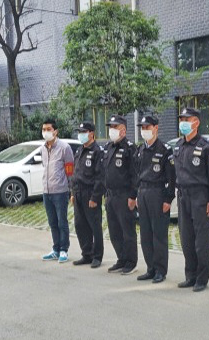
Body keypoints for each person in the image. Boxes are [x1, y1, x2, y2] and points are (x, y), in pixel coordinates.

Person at [173, 107, 209, 292]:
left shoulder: (206, 146)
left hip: (199, 196)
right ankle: (190, 275)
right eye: (181, 119)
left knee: (201, 241)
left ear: (196, 122)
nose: (183, 122)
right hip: (183, 196)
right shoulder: (179, 145)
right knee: (186, 238)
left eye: (187, 119)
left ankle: (201, 278)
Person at [135, 115, 176, 284]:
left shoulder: (165, 149)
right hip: (143, 193)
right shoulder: (140, 149)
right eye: (142, 128)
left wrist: (168, 199)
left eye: (147, 127)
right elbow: (137, 174)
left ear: (156, 128)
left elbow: (172, 178)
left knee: (158, 234)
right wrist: (136, 195)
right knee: (145, 234)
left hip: (158, 193)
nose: (144, 130)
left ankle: (160, 270)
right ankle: (150, 268)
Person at [102, 115, 138, 275]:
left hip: (124, 195)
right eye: (110, 127)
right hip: (111, 195)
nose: (112, 130)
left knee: (127, 231)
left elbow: (134, 174)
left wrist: (133, 196)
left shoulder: (130, 148)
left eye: (115, 127)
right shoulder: (108, 147)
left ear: (123, 130)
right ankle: (121, 259)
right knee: (114, 231)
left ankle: (131, 262)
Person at [71, 121, 105, 268]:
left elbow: (100, 177)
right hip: (78, 192)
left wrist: (95, 197)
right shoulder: (79, 150)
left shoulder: (97, 151)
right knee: (80, 225)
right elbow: (75, 173)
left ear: (91, 133)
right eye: (80, 132)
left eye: (84, 132)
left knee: (94, 226)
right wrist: (73, 192)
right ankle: (87, 254)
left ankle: (97, 256)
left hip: (90, 193)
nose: (81, 135)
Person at [40, 120, 74, 263]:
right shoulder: (42, 148)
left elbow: (70, 170)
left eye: (49, 129)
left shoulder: (64, 148)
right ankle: (55, 249)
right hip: (47, 191)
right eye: (44, 129)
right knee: (52, 222)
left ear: (55, 131)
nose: (46, 132)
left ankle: (63, 250)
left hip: (60, 191)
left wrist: (71, 191)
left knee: (62, 222)